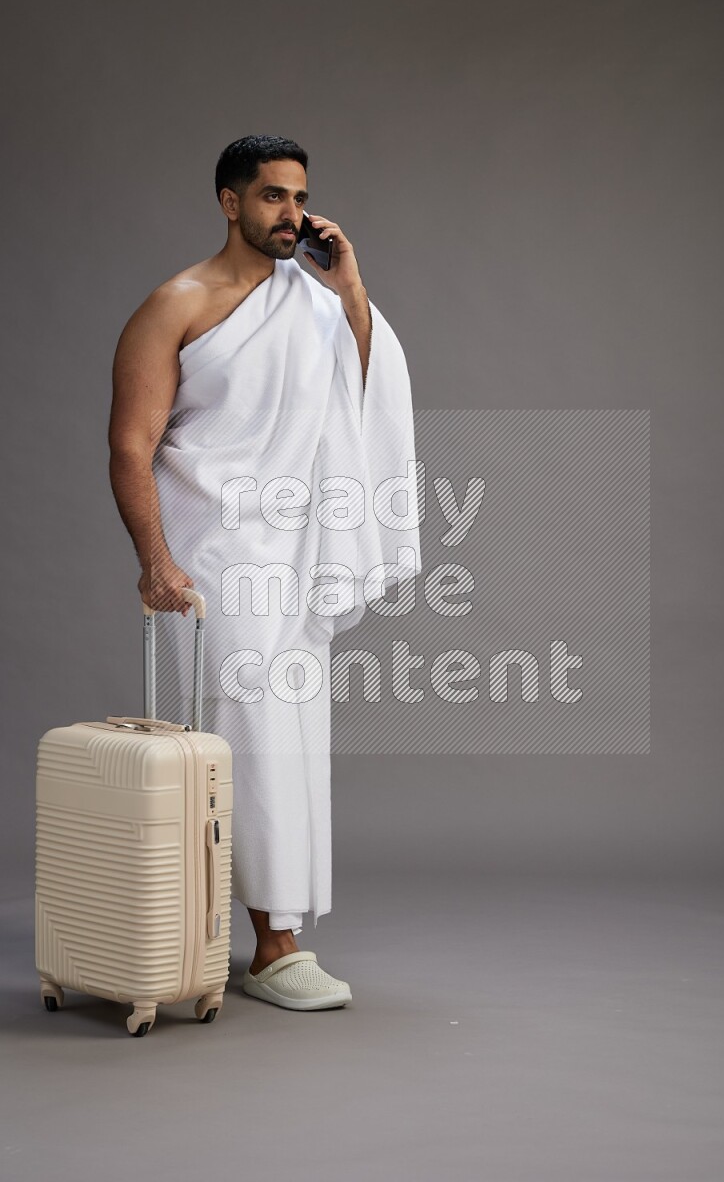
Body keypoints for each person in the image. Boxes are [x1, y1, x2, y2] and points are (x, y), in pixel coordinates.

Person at [107, 134, 420, 1011]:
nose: (293, 214)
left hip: (297, 555)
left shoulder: (315, 301)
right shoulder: (175, 305)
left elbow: (366, 390)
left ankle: (249, 934)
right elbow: (131, 446)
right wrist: (155, 563)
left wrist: (349, 284)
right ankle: (272, 946)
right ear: (228, 201)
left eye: (301, 197)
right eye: (274, 197)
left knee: (289, 739)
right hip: (213, 560)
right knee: (242, 742)